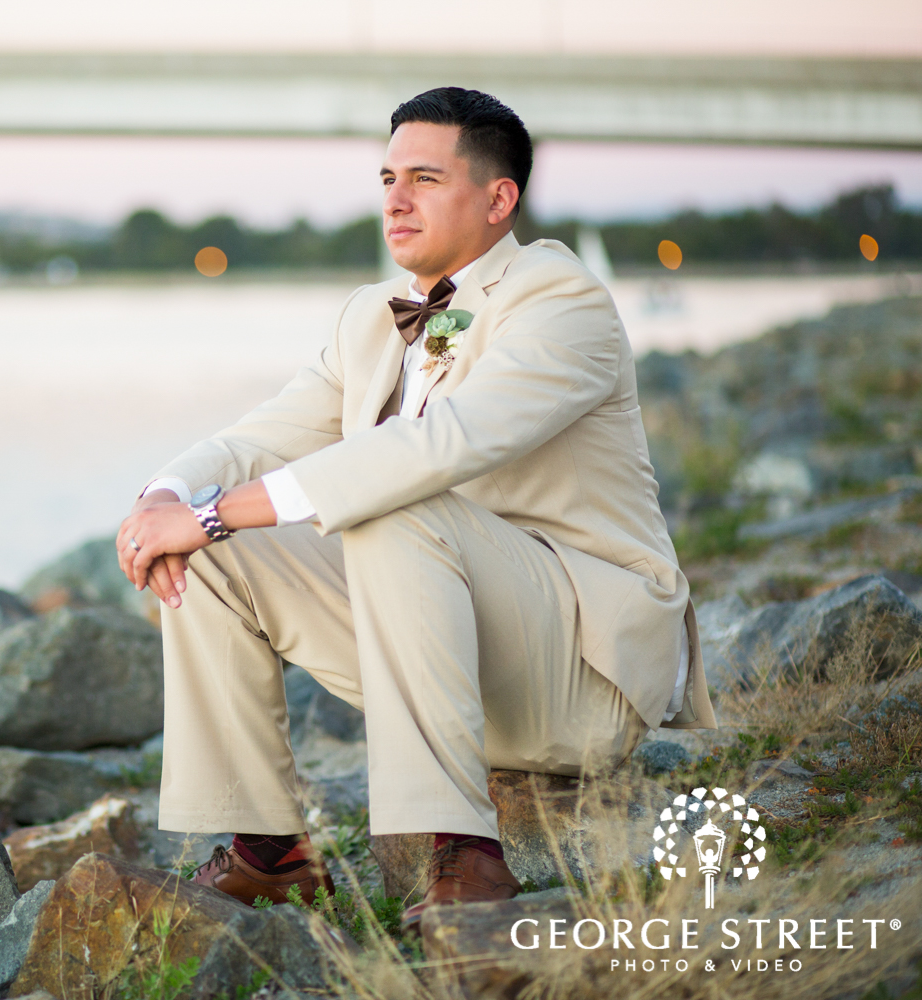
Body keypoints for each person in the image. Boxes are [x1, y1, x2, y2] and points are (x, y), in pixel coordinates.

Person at [114, 87, 716, 930]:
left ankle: (464, 850)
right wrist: (167, 500)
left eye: (426, 178)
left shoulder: (560, 299)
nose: (395, 198)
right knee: (211, 549)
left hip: (577, 668)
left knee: (393, 500)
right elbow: (262, 436)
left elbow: (442, 448)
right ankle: (272, 852)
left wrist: (217, 512)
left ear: (499, 199)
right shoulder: (370, 315)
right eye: (389, 176)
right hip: (443, 651)